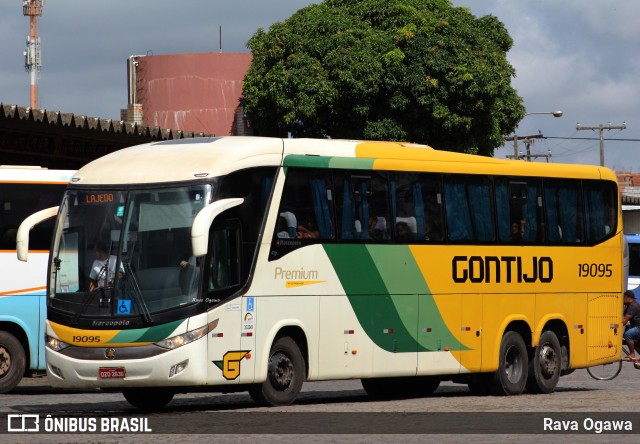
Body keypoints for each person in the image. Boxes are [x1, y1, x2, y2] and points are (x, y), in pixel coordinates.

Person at [622, 290, 640, 362]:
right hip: (636, 326)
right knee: (634, 342)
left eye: (623, 298)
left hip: (639, 327)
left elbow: (625, 319)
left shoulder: (633, 306)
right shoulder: (629, 305)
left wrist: (614, 326)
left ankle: (632, 354)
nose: (622, 300)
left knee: (628, 335)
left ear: (628, 297)